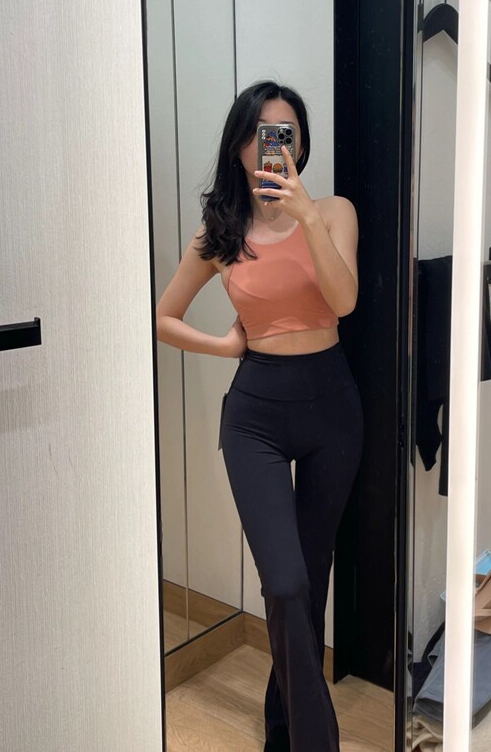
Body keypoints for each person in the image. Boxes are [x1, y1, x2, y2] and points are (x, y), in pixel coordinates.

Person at [156, 80, 364, 752]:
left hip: (332, 404)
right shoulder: (220, 232)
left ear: (299, 144)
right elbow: (162, 316)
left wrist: (305, 218)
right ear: (240, 146)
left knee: (311, 578)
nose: (274, 145)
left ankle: (283, 727)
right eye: (260, 133)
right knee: (286, 581)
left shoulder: (333, 212)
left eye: (286, 133)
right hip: (256, 415)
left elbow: (345, 300)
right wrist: (223, 345)